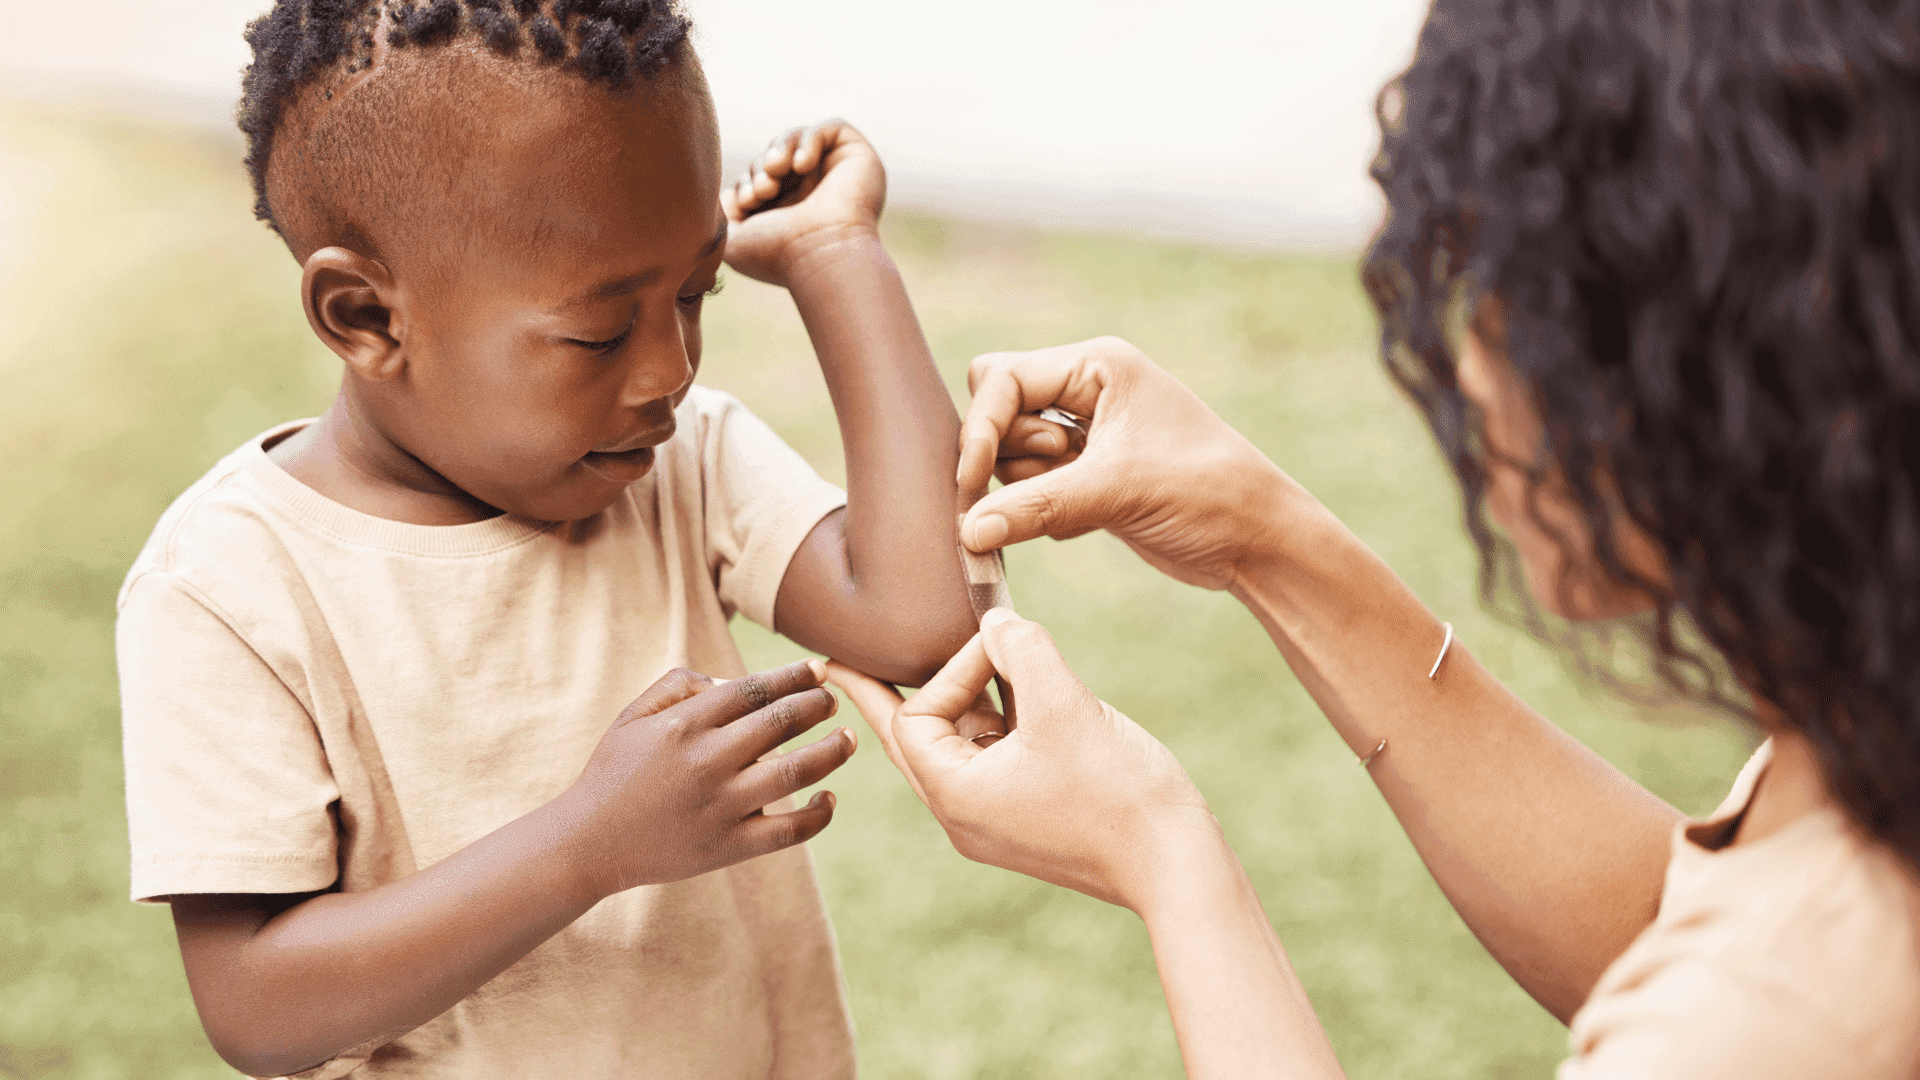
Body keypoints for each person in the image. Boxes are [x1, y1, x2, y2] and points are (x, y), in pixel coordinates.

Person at [829, 1, 1920, 1077]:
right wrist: (1263, 534)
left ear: (1691, 361)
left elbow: (1743, 1000)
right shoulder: (1857, 769)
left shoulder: (1772, 1020)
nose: (1472, 375)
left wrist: (1161, 846)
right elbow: (1677, 923)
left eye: (1499, 310)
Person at [113, 3, 976, 1078]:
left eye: (695, 292)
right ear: (365, 317)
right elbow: (257, 1009)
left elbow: (915, 619)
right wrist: (587, 848)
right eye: (601, 332)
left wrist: (838, 255)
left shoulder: (682, 465)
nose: (670, 371)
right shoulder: (232, 585)